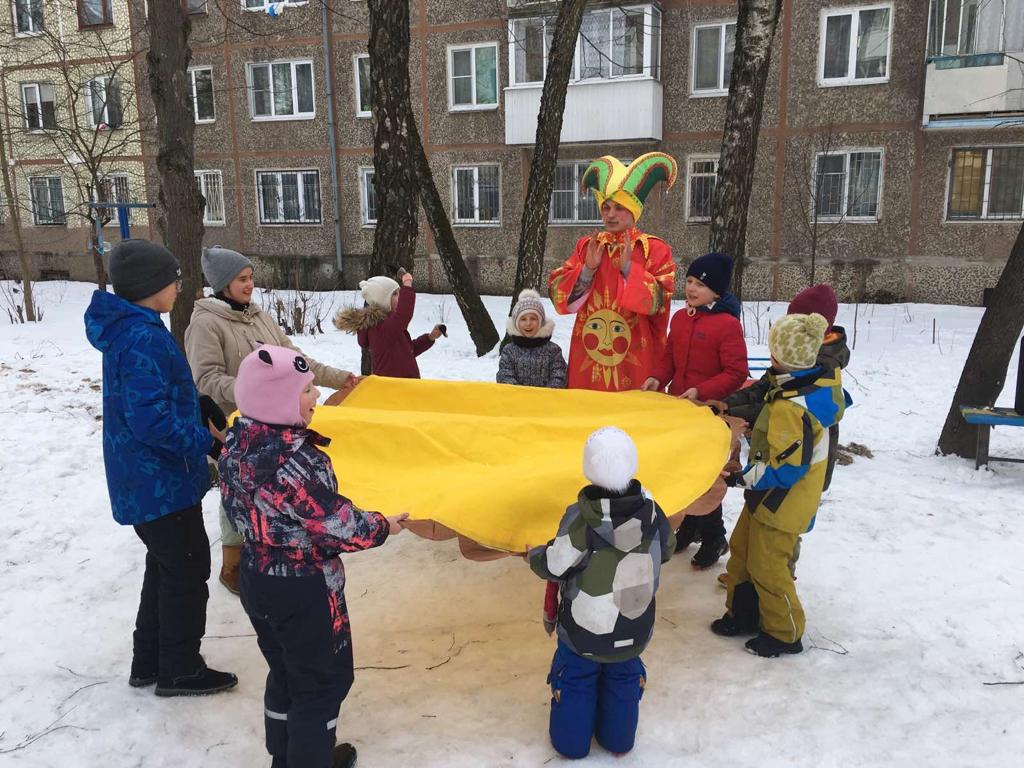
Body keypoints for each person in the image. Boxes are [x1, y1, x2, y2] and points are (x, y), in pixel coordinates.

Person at [219, 344, 408, 768]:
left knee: (285, 671)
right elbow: (335, 523)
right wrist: (382, 526)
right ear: (278, 400)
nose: (317, 396)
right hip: (303, 589)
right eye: (306, 390)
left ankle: (284, 757)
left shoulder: (237, 443)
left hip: (256, 575)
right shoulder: (296, 462)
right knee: (322, 683)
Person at [84, 239, 237, 697]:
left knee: (167, 567)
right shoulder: (142, 337)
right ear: (154, 286)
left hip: (150, 480)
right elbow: (149, 420)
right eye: (175, 278)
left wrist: (198, 404)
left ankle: (149, 660)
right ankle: (180, 668)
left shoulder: (137, 329)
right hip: (159, 480)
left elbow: (158, 396)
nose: (179, 285)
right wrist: (203, 441)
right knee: (188, 571)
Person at [184, 246, 357, 596]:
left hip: (274, 423)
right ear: (222, 284)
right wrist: (255, 391)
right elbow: (206, 380)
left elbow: (296, 362)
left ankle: (267, 551)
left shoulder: (258, 316)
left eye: (251, 278)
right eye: (242, 280)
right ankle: (233, 563)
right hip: (233, 424)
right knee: (237, 490)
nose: (250, 286)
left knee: (269, 491)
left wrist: (341, 378)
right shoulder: (205, 324)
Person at [528, 427, 676, 758]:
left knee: (577, 680)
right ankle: (618, 740)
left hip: (584, 633)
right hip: (634, 626)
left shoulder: (581, 519)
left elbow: (555, 564)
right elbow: (667, 549)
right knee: (623, 681)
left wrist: (533, 554)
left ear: (588, 469)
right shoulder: (653, 513)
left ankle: (571, 746)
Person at [710, 313, 846, 658]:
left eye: (772, 354)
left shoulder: (792, 407)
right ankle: (744, 614)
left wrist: (742, 477)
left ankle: (784, 632)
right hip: (766, 497)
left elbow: (786, 469)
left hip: (782, 503)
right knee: (741, 552)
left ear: (784, 358)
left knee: (769, 567)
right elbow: (760, 395)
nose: (769, 360)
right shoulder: (793, 383)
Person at [642, 252, 748, 569]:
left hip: (710, 412)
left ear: (716, 291)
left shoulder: (727, 325)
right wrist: (656, 378)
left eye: (700, 284)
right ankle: (689, 526)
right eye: (689, 281)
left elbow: (736, 372)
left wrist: (702, 392)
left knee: (706, 474)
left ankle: (714, 535)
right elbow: (669, 359)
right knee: (682, 470)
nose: (691, 288)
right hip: (680, 409)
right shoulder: (680, 318)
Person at [549, 153, 677, 392]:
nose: (610, 214)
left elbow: (660, 303)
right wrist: (587, 270)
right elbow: (559, 297)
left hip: (636, 357)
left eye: (619, 208)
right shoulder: (588, 246)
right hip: (590, 359)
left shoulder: (655, 250)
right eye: (606, 207)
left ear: (633, 211)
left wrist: (630, 270)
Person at [334, 269, 444, 378]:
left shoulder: (388, 325)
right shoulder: (380, 328)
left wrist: (429, 338)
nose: (400, 297)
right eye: (395, 294)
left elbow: (408, 351)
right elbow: (404, 315)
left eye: (400, 292)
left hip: (403, 387)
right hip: (393, 389)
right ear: (382, 300)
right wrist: (407, 283)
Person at [496, 288, 567, 388]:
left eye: (533, 318)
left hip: (546, 401)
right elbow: (504, 375)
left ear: (541, 321)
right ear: (516, 323)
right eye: (523, 319)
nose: (528, 323)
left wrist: (547, 394)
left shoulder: (553, 351)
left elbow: (559, 376)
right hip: (516, 400)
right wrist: (519, 394)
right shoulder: (509, 351)